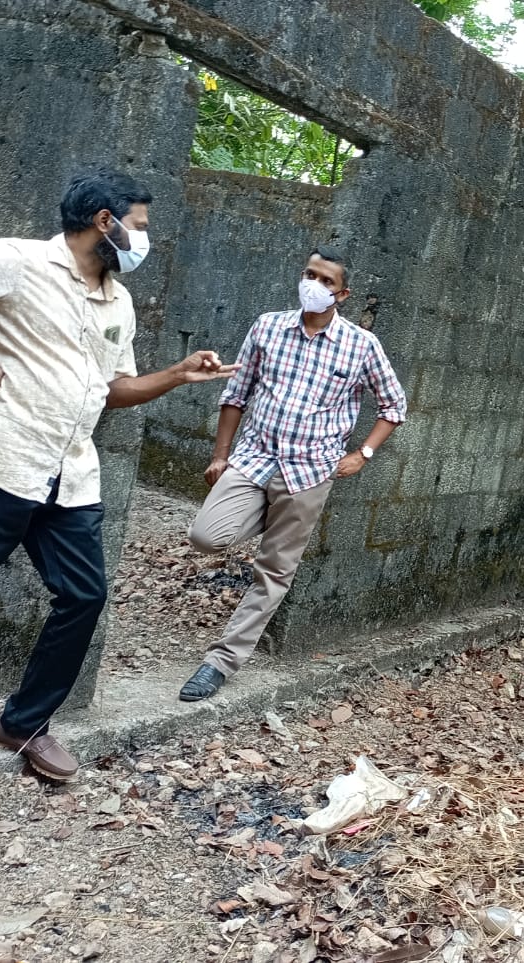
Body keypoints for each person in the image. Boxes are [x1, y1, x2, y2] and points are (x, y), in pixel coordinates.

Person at [0, 166, 237, 794]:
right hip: (3, 455)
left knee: (84, 595)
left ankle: (23, 723)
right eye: (139, 225)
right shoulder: (17, 261)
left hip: (72, 472)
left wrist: (176, 374)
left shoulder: (118, 300)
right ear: (105, 222)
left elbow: (114, 390)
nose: (144, 239)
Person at [177, 246, 407, 701]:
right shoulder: (267, 326)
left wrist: (362, 453)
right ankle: (272, 515)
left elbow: (394, 406)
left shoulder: (362, 345)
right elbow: (236, 394)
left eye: (326, 281)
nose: (314, 285)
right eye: (309, 274)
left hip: (309, 472)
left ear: (342, 294)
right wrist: (221, 455)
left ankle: (220, 662)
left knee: (274, 569)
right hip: (254, 458)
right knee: (205, 536)